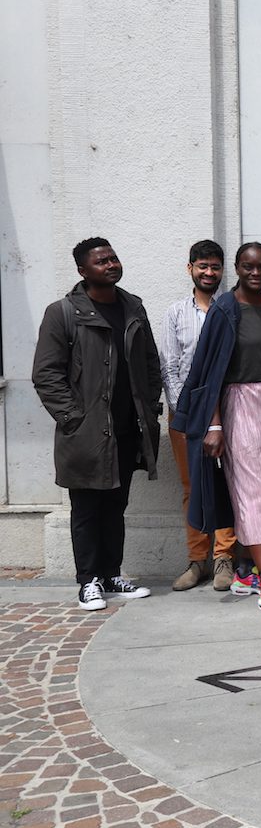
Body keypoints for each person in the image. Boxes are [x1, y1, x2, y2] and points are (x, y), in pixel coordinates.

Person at [33, 238, 160, 611]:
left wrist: (150, 408)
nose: (111, 264)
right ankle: (88, 580)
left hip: (125, 428)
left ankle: (111, 573)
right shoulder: (64, 313)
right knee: (86, 509)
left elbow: (150, 363)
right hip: (86, 433)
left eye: (113, 258)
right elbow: (46, 374)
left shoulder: (133, 306)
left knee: (116, 505)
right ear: (83, 271)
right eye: (101, 261)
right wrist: (73, 418)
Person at [172, 243, 261, 618]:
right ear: (238, 269)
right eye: (247, 266)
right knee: (253, 492)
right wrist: (213, 423)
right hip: (239, 408)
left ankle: (244, 572)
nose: (255, 273)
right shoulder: (225, 310)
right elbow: (209, 374)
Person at [162, 240, 236, 592]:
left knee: (227, 484)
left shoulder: (230, 310)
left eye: (215, 267)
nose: (209, 273)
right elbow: (170, 367)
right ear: (189, 268)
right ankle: (197, 560)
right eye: (202, 266)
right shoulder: (176, 313)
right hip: (188, 416)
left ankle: (225, 558)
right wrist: (190, 413)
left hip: (230, 414)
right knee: (193, 487)